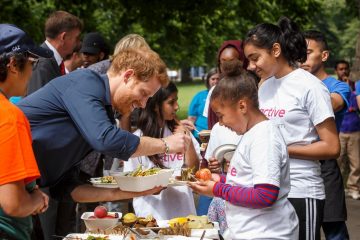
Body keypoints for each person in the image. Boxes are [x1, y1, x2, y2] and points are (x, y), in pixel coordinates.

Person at [17, 48, 191, 206]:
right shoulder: (85, 82)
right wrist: (165, 145)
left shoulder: (103, 112)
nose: (143, 104)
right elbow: (107, 140)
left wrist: (124, 193)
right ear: (128, 76)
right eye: (144, 93)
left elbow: (65, 187)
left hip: (23, 192)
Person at [244, 17, 340, 240]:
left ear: (275, 49)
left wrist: (283, 149)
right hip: (267, 189)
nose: (251, 66)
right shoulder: (265, 86)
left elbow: (332, 146)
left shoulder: (310, 86)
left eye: (255, 58)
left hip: (302, 191)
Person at [189, 73, 299, 239]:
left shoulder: (264, 137)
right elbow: (247, 182)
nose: (221, 123)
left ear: (242, 106)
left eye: (221, 115)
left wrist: (218, 189)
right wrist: (221, 179)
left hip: (266, 234)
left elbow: (265, 195)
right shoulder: (251, 133)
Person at [0, 24, 52, 240]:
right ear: (13, 64)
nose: (32, 71)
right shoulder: (10, 117)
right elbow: (14, 204)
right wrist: (38, 200)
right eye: (33, 62)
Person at [124, 82, 200, 220]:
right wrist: (151, 186)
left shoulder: (180, 132)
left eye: (176, 101)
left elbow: (193, 172)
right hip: (150, 218)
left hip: (185, 215)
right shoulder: (136, 140)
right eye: (171, 102)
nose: (177, 107)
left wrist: (186, 137)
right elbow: (130, 184)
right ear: (155, 106)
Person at [301, 30, 350, 240]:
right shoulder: (293, 84)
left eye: (309, 52)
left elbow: (332, 104)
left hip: (325, 165)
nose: (302, 58)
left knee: (334, 231)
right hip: (297, 164)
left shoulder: (337, 86)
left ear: (324, 56)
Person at [27, 11, 82, 95]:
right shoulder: (42, 64)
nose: (78, 43)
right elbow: (36, 106)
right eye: (77, 38)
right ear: (63, 37)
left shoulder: (50, 62)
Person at [202, 40, 248, 130]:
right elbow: (211, 122)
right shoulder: (215, 91)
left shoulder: (251, 88)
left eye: (231, 61)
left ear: (242, 61)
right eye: (223, 61)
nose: (227, 66)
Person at [188, 68, 219, 141]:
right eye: (213, 79)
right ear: (208, 80)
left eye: (218, 79)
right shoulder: (199, 96)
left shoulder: (227, 96)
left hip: (219, 135)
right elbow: (192, 118)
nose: (216, 81)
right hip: (200, 134)